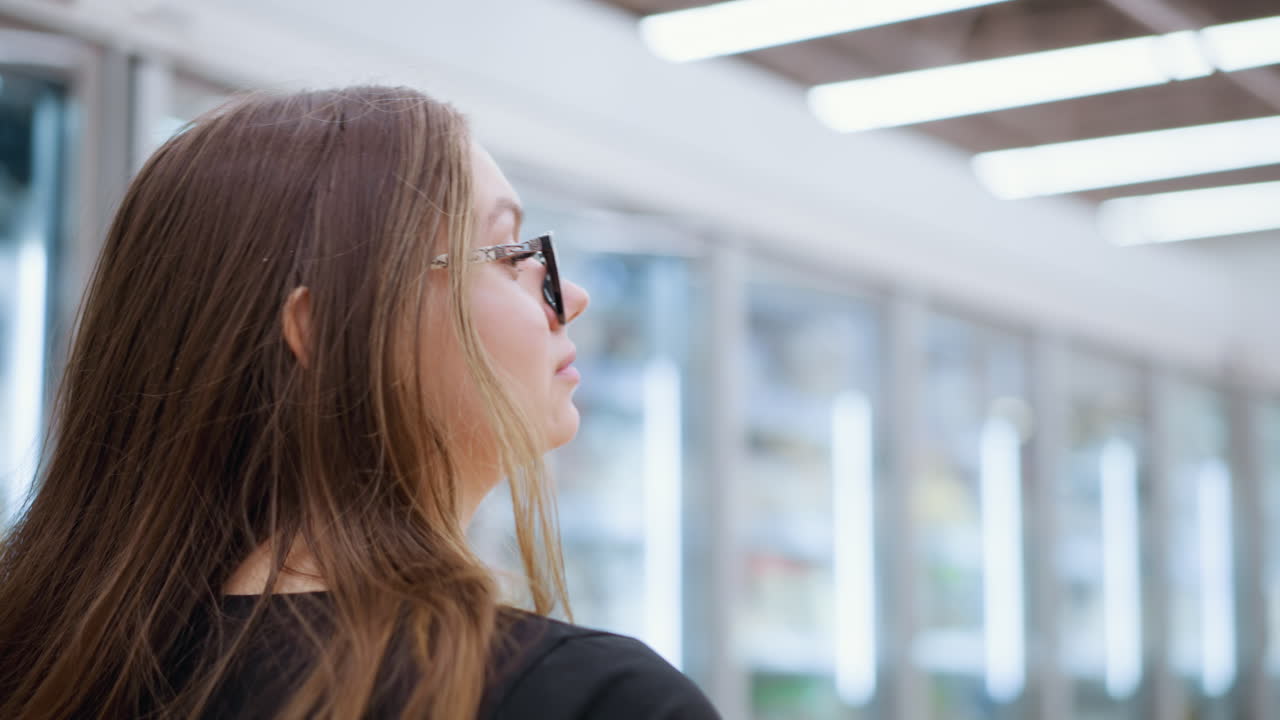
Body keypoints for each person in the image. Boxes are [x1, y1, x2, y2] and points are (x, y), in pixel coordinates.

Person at [0, 86, 720, 720]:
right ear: (327, 328)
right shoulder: (589, 699)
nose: (574, 299)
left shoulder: (38, 661)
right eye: (506, 255)